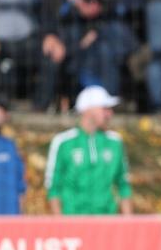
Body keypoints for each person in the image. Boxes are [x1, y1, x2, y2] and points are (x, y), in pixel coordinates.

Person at [45, 85, 133, 215]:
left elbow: (124, 186)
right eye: (105, 108)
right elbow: (53, 188)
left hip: (107, 221)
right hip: (73, 221)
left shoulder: (115, 142)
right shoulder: (63, 142)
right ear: (88, 109)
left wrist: (128, 223)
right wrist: (61, 224)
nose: (110, 114)